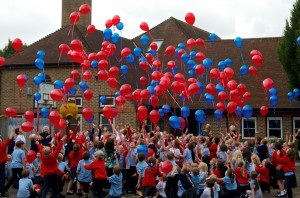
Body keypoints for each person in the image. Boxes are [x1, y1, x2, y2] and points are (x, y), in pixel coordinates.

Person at [0, 129, 14, 197]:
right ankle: (1, 192)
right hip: (2, 164)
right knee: (2, 179)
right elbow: (10, 138)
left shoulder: (3, 145)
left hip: (2, 163)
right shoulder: (2, 145)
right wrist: (11, 131)